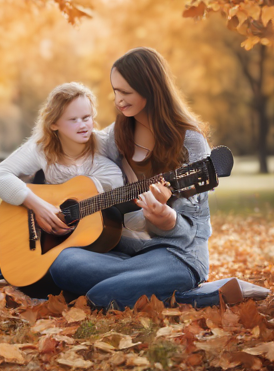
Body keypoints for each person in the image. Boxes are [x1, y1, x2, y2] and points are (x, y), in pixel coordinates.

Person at [49, 47, 213, 310]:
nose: (119, 100)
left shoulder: (190, 142)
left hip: (178, 255)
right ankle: (143, 287)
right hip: (127, 253)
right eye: (115, 91)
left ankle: (195, 292)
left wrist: (165, 218)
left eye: (126, 92)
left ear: (151, 88)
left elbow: (190, 231)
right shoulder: (117, 135)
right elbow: (77, 164)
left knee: (101, 295)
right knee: (64, 264)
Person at [0, 82, 125, 303]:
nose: (83, 125)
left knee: (60, 263)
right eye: (73, 120)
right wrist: (37, 204)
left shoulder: (104, 146)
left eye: (87, 117)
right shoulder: (42, 148)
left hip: (94, 240)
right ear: (54, 124)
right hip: (46, 235)